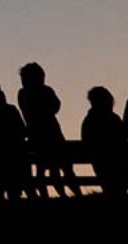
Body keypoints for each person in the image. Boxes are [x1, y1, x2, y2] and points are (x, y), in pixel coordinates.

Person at [18, 63, 76, 198]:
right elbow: (55, 107)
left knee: (46, 170)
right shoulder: (43, 91)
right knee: (61, 168)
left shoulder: (25, 94)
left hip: (41, 135)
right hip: (50, 134)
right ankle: (70, 193)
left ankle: (51, 196)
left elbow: (54, 107)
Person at [82, 86, 128, 197]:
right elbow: (123, 135)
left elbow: (86, 140)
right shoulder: (113, 118)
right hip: (116, 158)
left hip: (99, 159)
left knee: (110, 188)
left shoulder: (89, 120)